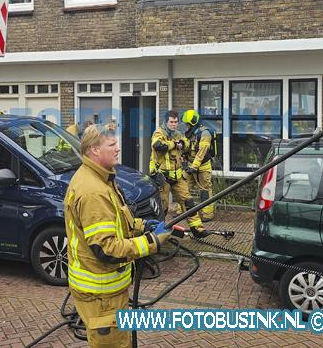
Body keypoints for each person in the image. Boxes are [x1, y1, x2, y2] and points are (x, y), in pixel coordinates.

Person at [65, 124, 171, 347]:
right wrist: (151, 242)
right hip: (101, 295)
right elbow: (106, 249)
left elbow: (115, 222)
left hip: (107, 292)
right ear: (94, 150)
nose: (118, 149)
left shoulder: (102, 179)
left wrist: (142, 227)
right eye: (112, 144)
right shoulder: (93, 191)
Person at [149, 110, 207, 237]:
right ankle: (159, 232)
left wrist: (182, 143)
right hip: (162, 177)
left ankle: (197, 230)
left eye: (176, 122)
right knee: (163, 207)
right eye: (172, 122)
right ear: (166, 122)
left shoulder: (178, 134)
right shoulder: (159, 133)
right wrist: (174, 144)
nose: (174, 124)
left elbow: (186, 143)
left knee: (188, 201)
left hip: (177, 176)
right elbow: (158, 145)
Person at [182, 109, 218, 222]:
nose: (186, 126)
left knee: (205, 190)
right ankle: (182, 212)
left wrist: (194, 167)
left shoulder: (205, 134)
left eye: (187, 124)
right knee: (182, 187)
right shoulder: (189, 134)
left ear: (192, 123)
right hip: (190, 166)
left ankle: (207, 214)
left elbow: (202, 152)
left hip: (202, 167)